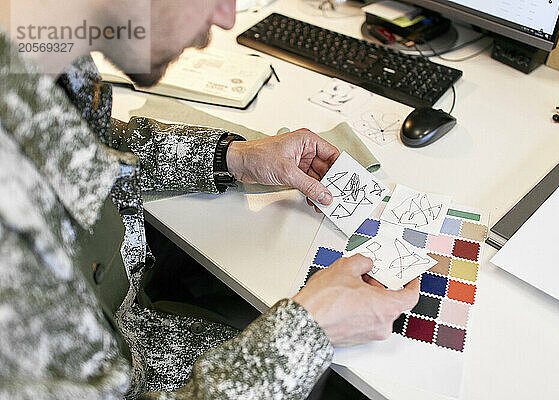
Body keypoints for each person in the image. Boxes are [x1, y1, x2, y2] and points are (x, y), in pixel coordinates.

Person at [0, 1, 420, 399]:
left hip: (125, 331)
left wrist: (233, 158)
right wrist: (310, 332)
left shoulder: (43, 52)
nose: (227, 17)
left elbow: (87, 148)